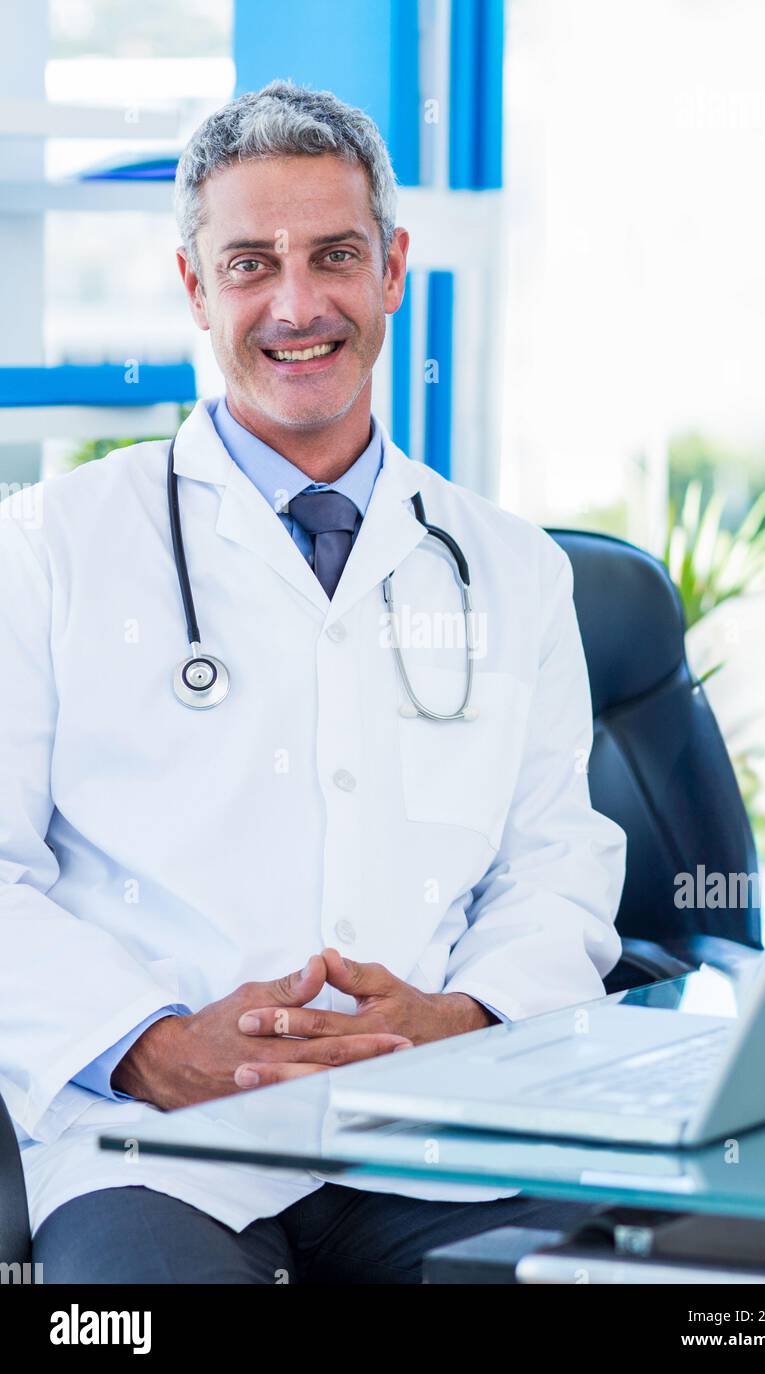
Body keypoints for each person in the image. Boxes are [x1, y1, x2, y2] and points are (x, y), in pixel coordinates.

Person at [0, 79, 626, 1284]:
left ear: (392, 269)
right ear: (194, 287)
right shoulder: (49, 546)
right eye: (249, 265)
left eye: (335, 256)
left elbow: (555, 861)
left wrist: (470, 1016)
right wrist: (146, 1045)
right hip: (161, 1146)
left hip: (442, 1138)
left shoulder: (512, 568)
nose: (297, 306)